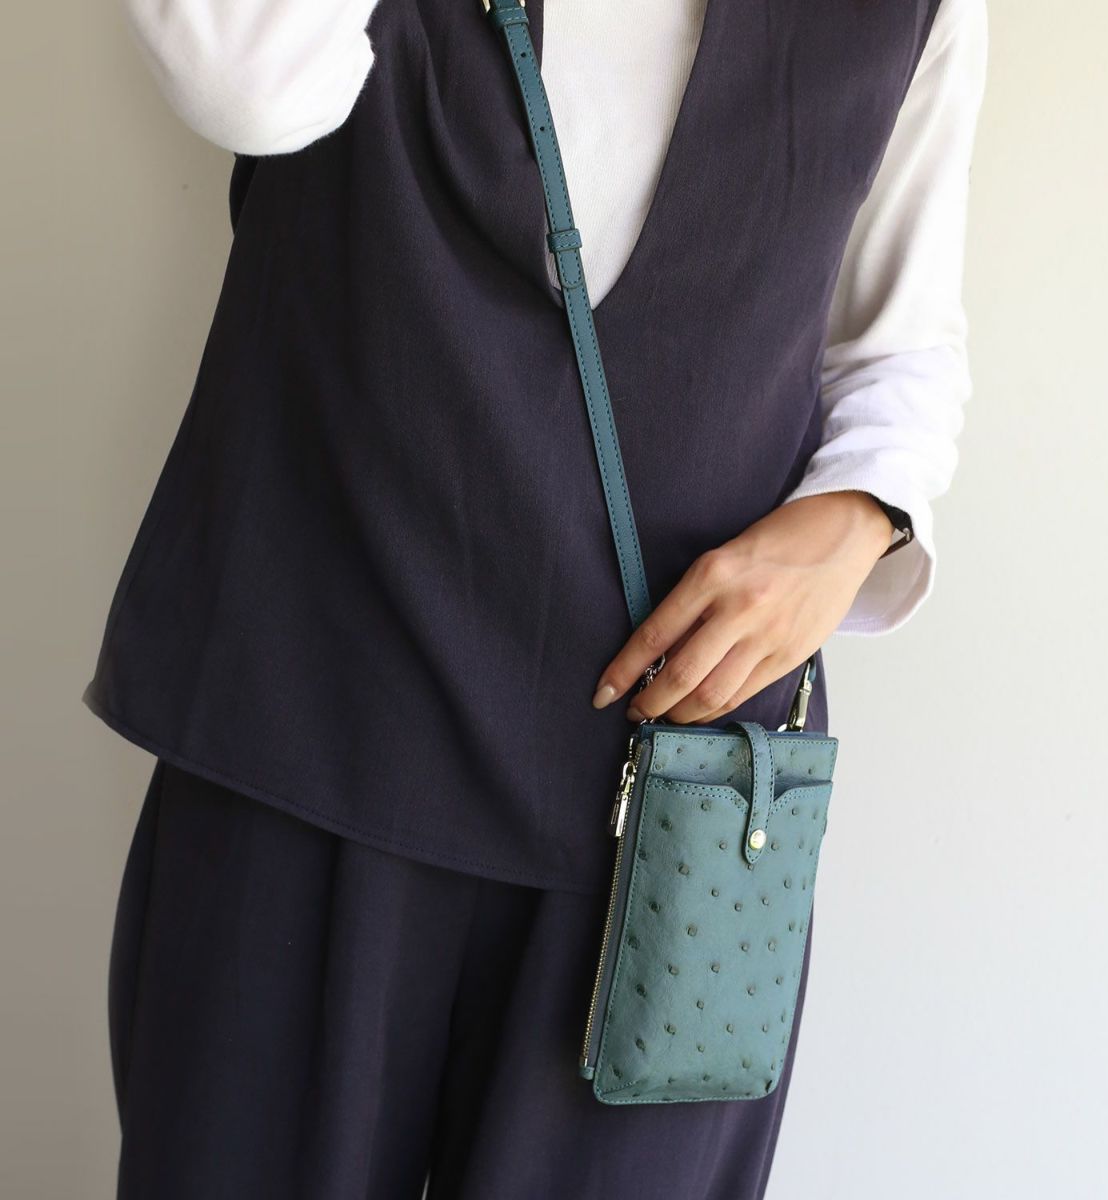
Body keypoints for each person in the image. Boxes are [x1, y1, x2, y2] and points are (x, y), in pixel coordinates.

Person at [88, 0, 988, 1195]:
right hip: (307, 733)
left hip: (683, 814)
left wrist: (859, 518)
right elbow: (241, 75)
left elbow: (899, 344)